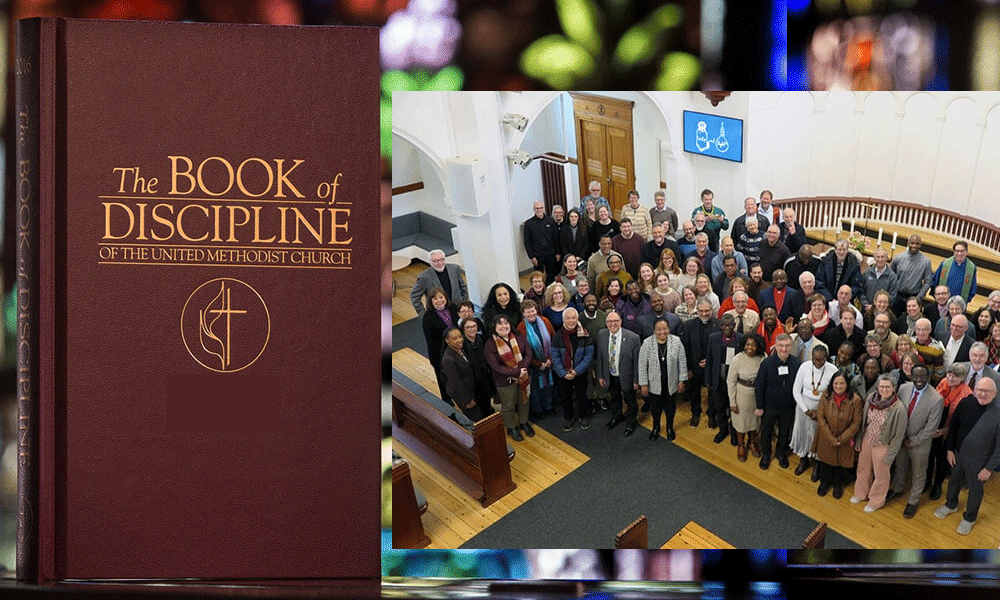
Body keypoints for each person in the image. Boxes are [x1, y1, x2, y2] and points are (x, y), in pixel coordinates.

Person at [934, 378, 1000, 535]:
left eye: (987, 391)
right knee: (954, 482)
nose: (982, 394)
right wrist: (949, 449)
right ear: (975, 390)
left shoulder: (998, 413)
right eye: (980, 390)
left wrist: (989, 468)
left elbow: (999, 447)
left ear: (995, 393)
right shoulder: (965, 403)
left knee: (975, 490)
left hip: (980, 461)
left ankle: (969, 518)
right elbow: (954, 427)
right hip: (957, 453)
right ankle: (951, 504)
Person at [887, 364, 943, 518]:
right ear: (911, 377)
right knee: (900, 466)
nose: (919, 380)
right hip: (901, 438)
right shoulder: (904, 388)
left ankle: (913, 501)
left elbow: (932, 427)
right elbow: (896, 410)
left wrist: (913, 441)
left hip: (920, 444)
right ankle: (897, 488)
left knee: (918, 474)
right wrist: (901, 436)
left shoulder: (937, 399)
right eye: (915, 376)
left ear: (928, 377)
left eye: (922, 376)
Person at [851, 374, 907, 513]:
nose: (884, 389)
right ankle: (860, 493)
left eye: (888, 387)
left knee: (881, 475)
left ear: (894, 388)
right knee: (863, 469)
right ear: (878, 387)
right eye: (882, 386)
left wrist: (890, 455)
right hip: (867, 440)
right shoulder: (871, 399)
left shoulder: (898, 408)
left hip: (883, 445)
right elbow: (863, 422)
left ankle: (876, 501)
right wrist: (859, 440)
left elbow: (898, 437)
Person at [813, 370, 864, 498]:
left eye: (842, 383)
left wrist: (841, 439)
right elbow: (820, 416)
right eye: (836, 383)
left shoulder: (855, 400)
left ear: (847, 384)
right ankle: (824, 483)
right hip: (826, 436)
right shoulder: (826, 395)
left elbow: (856, 422)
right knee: (825, 461)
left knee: (840, 464)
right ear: (832, 384)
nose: (838, 386)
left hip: (844, 439)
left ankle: (837, 485)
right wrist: (830, 437)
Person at [791, 345, 838, 480]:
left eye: (821, 360)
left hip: (822, 410)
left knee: (818, 438)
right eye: (815, 359)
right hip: (803, 407)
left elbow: (834, 395)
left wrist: (820, 413)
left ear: (826, 358)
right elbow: (795, 390)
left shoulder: (832, 370)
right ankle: (803, 460)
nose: (817, 363)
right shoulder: (804, 367)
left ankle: (817, 464)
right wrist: (806, 410)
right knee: (804, 434)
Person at [754, 333, 801, 469]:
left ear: (791, 346)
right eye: (781, 345)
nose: (784, 349)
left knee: (784, 432)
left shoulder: (796, 363)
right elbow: (759, 386)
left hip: (788, 407)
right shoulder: (767, 363)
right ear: (776, 346)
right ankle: (766, 454)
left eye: (787, 346)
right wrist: (759, 406)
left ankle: (780, 453)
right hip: (769, 406)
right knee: (766, 431)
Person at [927, 362, 973, 501]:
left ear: (963, 378)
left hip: (950, 430)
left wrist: (945, 430)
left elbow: (962, 421)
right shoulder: (943, 383)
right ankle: (927, 481)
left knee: (942, 460)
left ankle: (937, 484)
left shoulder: (967, 394)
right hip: (935, 424)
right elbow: (932, 404)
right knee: (929, 456)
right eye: (949, 374)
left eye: (955, 376)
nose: (951, 378)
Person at [484, 315, 533, 441]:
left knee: (524, 400)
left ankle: (523, 422)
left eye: (506, 323)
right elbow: (496, 367)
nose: (504, 326)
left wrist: (523, 369)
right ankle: (511, 427)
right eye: (500, 324)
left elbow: (528, 353)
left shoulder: (518, 336)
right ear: (494, 327)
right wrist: (517, 372)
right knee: (509, 405)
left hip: (523, 375)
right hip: (505, 381)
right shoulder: (490, 344)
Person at [638, 317, 688, 441]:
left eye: (664, 329)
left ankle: (670, 427)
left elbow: (682, 362)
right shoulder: (647, 343)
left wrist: (682, 380)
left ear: (669, 329)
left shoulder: (677, 341)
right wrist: (643, 384)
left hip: (671, 382)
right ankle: (656, 427)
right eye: (658, 329)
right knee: (655, 408)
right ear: (654, 330)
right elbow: (642, 365)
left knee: (670, 407)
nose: (662, 332)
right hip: (654, 383)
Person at [597, 310, 642, 436]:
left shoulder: (633, 338)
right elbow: (600, 357)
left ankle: (631, 422)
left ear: (621, 322)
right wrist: (600, 375)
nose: (613, 324)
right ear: (606, 323)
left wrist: (636, 380)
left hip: (627, 376)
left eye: (616, 321)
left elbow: (637, 362)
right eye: (610, 321)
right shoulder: (602, 334)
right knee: (614, 398)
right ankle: (616, 417)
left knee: (630, 401)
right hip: (610, 375)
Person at [551, 307, 595, 431]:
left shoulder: (585, 334)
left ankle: (583, 415)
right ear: (563, 319)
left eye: (573, 318)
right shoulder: (558, 336)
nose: (571, 321)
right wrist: (562, 373)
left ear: (577, 318)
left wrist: (577, 371)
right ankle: (568, 417)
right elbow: (555, 356)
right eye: (568, 318)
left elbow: (589, 355)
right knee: (566, 397)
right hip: (564, 373)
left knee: (582, 395)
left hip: (580, 372)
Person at [705, 314, 743, 445]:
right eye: (724, 325)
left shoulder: (741, 338)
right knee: (720, 406)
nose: (727, 327)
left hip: (735, 383)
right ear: (720, 326)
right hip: (718, 380)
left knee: (733, 408)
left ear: (734, 325)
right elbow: (709, 360)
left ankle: (734, 432)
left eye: (730, 324)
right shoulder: (713, 338)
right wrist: (708, 380)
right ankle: (723, 430)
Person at [682, 299, 720, 428]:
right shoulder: (688, 325)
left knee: (713, 393)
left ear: (712, 310)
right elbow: (685, 348)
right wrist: (688, 368)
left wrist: (710, 361)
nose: (704, 314)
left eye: (707, 311)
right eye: (701, 311)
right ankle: (695, 413)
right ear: (697, 311)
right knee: (694, 392)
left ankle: (712, 414)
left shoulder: (718, 324)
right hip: (694, 367)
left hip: (712, 366)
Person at [517, 300, 557, 420]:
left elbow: (553, 339)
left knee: (548, 387)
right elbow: (523, 350)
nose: (531, 314)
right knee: (535, 389)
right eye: (528, 312)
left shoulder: (545, 321)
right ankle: (538, 410)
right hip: (533, 365)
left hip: (549, 361)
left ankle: (549, 407)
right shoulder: (521, 328)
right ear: (523, 313)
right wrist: (538, 364)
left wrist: (550, 359)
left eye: (533, 310)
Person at [728, 333, 765, 461]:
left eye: (754, 345)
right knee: (741, 423)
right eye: (747, 344)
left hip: (757, 395)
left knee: (754, 422)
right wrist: (732, 402)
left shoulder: (763, 357)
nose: (750, 347)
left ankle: (752, 442)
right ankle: (741, 445)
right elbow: (731, 382)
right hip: (741, 395)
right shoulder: (737, 359)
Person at [441, 327, 489, 422]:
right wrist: (467, 401)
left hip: (471, 388)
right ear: (447, 340)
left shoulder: (460, 349)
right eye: (455, 339)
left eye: (460, 337)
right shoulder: (448, 359)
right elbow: (456, 383)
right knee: (477, 419)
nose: (459, 340)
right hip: (463, 394)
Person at [422, 288, 460, 403]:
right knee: (443, 378)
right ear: (431, 301)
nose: (439, 300)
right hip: (440, 351)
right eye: (435, 298)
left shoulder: (453, 309)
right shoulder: (428, 317)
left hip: (457, 347)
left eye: (441, 297)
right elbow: (430, 341)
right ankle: (447, 400)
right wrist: (436, 359)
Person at [410, 249, 468, 316]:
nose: (440, 263)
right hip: (438, 313)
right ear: (430, 262)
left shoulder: (454, 269)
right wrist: (424, 314)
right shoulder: (424, 277)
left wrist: (463, 301)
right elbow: (414, 296)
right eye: (436, 261)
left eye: (442, 260)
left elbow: (463, 286)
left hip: (457, 308)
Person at [578, 293, 609, 411]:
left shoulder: (603, 316)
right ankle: (591, 399)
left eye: (593, 301)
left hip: (601, 353)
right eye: (588, 301)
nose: (591, 303)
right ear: (584, 303)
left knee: (601, 375)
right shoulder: (579, 318)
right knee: (588, 378)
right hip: (585, 355)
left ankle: (602, 397)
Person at [460, 316, 497, 417]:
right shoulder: (461, 345)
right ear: (463, 330)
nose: (472, 329)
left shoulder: (482, 339)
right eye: (468, 327)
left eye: (474, 326)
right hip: (471, 380)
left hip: (484, 376)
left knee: (486, 399)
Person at [890, 234, 933, 316]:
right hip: (897, 296)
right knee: (894, 319)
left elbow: (928, 281)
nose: (914, 246)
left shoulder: (926, 261)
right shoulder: (898, 258)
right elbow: (891, 275)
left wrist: (919, 297)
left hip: (914, 297)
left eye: (917, 244)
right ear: (908, 243)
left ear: (920, 245)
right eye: (912, 243)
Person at [523, 201, 560, 284]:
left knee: (551, 275)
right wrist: (531, 256)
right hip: (537, 256)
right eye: (537, 208)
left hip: (551, 254)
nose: (539, 210)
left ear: (543, 208)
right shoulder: (529, 224)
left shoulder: (550, 220)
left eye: (540, 208)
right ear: (533, 209)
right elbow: (527, 241)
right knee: (538, 277)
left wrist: (558, 252)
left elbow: (556, 238)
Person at [913, 317, 946, 383]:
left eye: (924, 330)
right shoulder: (911, 341)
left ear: (930, 330)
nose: (921, 332)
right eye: (918, 329)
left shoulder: (936, 349)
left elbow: (939, 374)